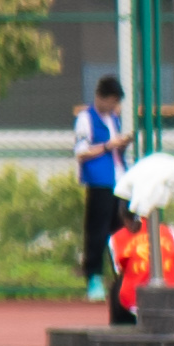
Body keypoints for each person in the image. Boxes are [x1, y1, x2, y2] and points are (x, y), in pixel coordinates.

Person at [70, 74, 131, 305]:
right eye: (113, 101)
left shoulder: (113, 119)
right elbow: (81, 151)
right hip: (99, 182)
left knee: (119, 231)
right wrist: (107, 146)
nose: (115, 106)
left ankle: (121, 277)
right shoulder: (86, 118)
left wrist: (122, 145)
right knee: (97, 231)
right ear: (102, 98)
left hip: (118, 180)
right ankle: (94, 277)